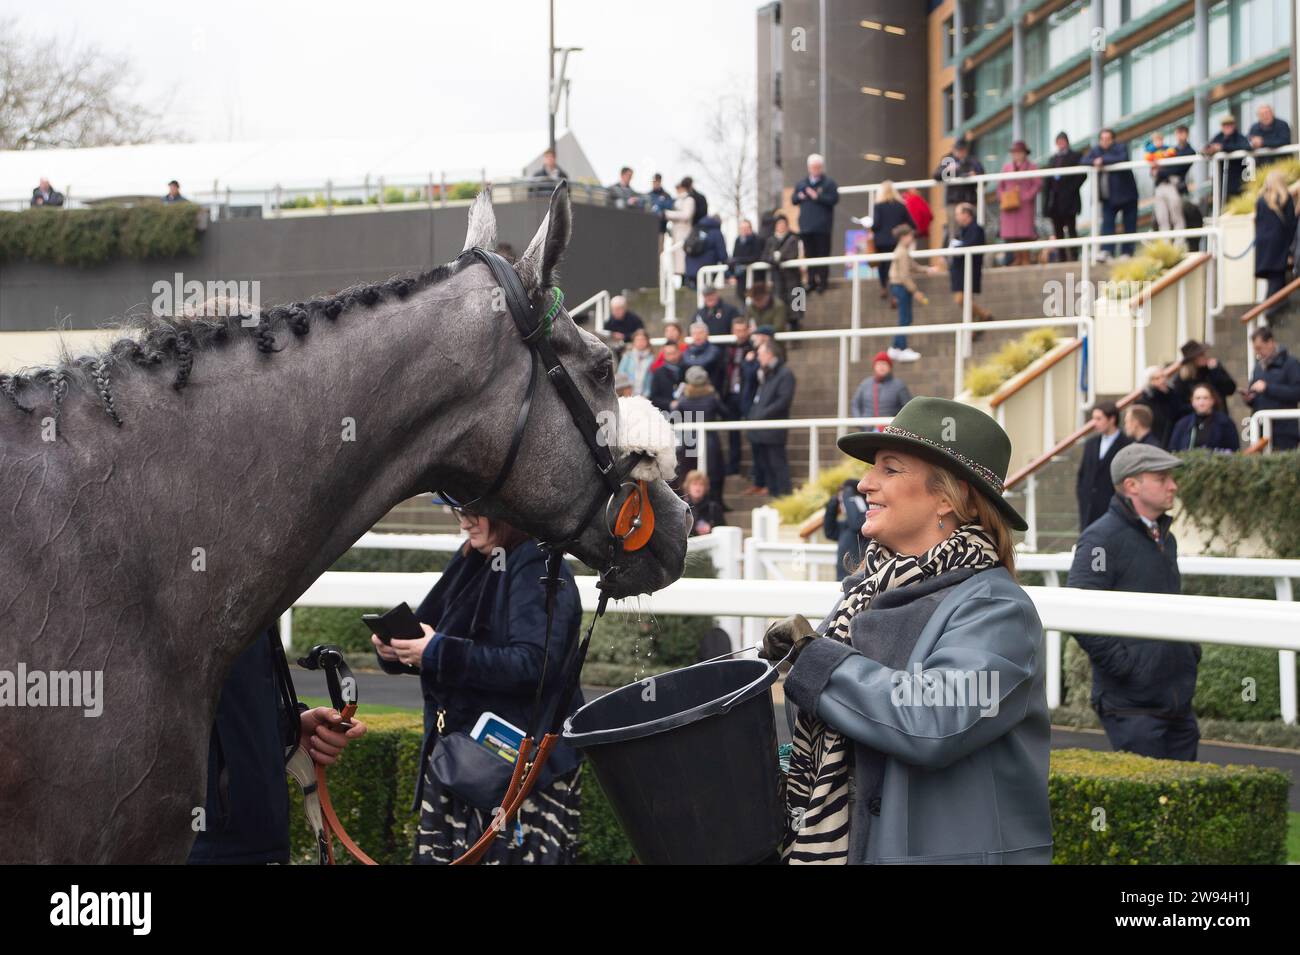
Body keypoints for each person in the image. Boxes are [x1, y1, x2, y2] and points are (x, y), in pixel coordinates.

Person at [764, 395, 1050, 864]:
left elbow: (933, 721)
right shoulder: (863, 593)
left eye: (890, 469)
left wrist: (817, 662)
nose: (864, 483)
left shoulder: (1000, 610)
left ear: (949, 497)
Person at [372, 506, 585, 863]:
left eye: (473, 511)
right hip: (462, 765)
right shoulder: (476, 554)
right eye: (457, 511)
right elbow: (431, 633)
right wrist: (397, 649)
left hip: (518, 777)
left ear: (506, 513)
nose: (464, 521)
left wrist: (436, 652)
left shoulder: (538, 562)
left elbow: (534, 665)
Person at [188, 629, 368, 863]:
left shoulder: (244, 604)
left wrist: (288, 729)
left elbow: (237, 700)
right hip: (192, 846)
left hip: (258, 840)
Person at [1068, 444, 1198, 762]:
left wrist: (1189, 652)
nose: (1173, 485)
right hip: (1131, 705)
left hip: (1176, 702)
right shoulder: (1100, 538)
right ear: (1131, 485)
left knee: (1184, 808)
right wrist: (1128, 668)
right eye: (1162, 477)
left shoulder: (1166, 538)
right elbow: (1079, 611)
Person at [745, 340, 796, 497]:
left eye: (760, 354)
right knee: (767, 466)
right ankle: (775, 496)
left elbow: (783, 400)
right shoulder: (766, 374)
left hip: (773, 430)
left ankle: (785, 498)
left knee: (777, 465)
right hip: (761, 429)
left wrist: (761, 415)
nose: (758, 358)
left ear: (769, 354)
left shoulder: (785, 374)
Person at [673, 366, 729, 497]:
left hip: (689, 442)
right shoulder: (713, 398)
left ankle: (689, 504)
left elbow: (673, 418)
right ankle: (716, 504)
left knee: (688, 475)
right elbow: (726, 413)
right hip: (710, 441)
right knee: (714, 473)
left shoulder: (683, 401)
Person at [1076, 401, 1132, 531]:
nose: (1094, 423)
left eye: (1099, 418)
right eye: (1093, 418)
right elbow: (1083, 473)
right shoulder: (1091, 443)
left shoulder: (1127, 444)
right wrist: (1083, 495)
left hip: (1112, 509)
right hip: (1088, 509)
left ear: (1112, 419)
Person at [1084, 128, 1139, 259]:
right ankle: (1107, 251)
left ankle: (1127, 252)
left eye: (1107, 139)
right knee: (1107, 224)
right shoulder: (1096, 150)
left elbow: (1122, 157)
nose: (1104, 142)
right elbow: (1083, 160)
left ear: (1113, 139)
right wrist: (1094, 161)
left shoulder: (1121, 147)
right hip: (1108, 197)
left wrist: (1101, 161)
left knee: (1129, 225)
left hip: (1127, 195)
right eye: (1102, 139)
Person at [1244, 326, 1300, 451]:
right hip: (1260, 430)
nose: (1257, 352)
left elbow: (1297, 392)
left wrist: (1268, 388)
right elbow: (1256, 393)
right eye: (1254, 348)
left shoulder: (1290, 364)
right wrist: (1249, 398)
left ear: (1270, 342)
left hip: (1284, 431)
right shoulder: (1258, 367)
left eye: (1259, 348)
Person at [792, 153, 839, 294]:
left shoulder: (829, 183)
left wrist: (817, 197)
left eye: (818, 167)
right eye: (813, 167)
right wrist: (800, 196)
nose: (815, 170)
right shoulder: (802, 184)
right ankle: (811, 281)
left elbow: (834, 200)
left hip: (823, 227)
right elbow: (793, 199)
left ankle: (823, 282)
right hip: (806, 227)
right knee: (809, 255)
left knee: (822, 254)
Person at [1254, 170, 1297, 309]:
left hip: (1264, 247)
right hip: (1280, 245)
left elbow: (1258, 223)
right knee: (1277, 279)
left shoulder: (1261, 201)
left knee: (1274, 281)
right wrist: (1292, 250)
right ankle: (1269, 313)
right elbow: (1291, 226)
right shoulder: (1286, 198)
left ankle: (1272, 311)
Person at [722, 316, 759, 475]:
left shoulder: (754, 348)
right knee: (733, 433)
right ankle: (733, 465)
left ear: (748, 330)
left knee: (753, 432)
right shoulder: (728, 348)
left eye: (743, 330)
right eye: (737, 330)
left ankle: (756, 469)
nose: (740, 333)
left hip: (748, 395)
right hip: (730, 394)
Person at [886, 224, 928, 361]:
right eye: (910, 235)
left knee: (905, 318)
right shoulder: (902, 252)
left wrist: (926, 269)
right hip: (900, 287)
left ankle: (897, 347)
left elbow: (912, 266)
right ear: (904, 237)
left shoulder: (902, 251)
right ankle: (900, 348)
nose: (912, 238)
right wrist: (915, 291)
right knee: (904, 318)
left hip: (899, 286)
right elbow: (904, 275)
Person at [869, 181, 916, 302]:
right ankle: (894, 294)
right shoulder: (901, 206)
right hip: (896, 241)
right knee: (895, 266)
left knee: (883, 266)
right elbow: (912, 224)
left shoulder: (878, 206)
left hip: (881, 241)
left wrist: (870, 226)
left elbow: (876, 225)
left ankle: (884, 287)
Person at [1042, 132, 1084, 261]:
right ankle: (1062, 257)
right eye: (1058, 141)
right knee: (1058, 231)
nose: (1061, 144)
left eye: (1063, 141)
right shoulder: (1052, 160)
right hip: (1055, 202)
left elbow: (1082, 175)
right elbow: (1047, 183)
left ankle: (1074, 255)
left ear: (1067, 142)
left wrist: (1071, 188)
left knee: (1072, 229)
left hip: (1070, 200)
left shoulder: (1076, 156)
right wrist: (1046, 204)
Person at [997, 141, 1041, 264]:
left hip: (1024, 205)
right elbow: (1000, 185)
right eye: (1014, 153)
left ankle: (1025, 257)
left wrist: (1027, 196)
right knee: (1012, 233)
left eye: (1018, 152)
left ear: (1024, 154)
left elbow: (1037, 184)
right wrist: (1003, 197)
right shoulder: (1006, 168)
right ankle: (1017, 258)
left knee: (1024, 233)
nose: (1016, 155)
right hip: (1009, 204)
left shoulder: (1032, 167)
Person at [933, 137, 985, 241]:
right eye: (958, 149)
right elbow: (936, 175)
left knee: (974, 230)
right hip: (954, 201)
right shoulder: (948, 159)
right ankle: (955, 255)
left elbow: (983, 177)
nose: (960, 152)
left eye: (962, 150)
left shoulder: (972, 160)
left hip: (969, 200)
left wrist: (974, 175)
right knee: (954, 232)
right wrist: (948, 170)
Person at [948, 203, 992, 323]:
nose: (956, 217)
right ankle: (977, 320)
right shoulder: (960, 231)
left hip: (969, 269)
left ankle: (983, 316)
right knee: (964, 299)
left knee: (961, 298)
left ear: (966, 214)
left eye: (958, 214)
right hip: (959, 270)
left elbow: (973, 245)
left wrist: (959, 246)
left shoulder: (976, 229)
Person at [1148, 126, 1196, 236]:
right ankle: (1166, 247)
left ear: (1187, 134)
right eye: (1178, 133)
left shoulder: (1189, 151)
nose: (1180, 135)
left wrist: (1159, 171)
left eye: (1182, 133)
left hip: (1174, 185)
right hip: (1161, 185)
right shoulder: (1170, 150)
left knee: (1176, 217)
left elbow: (1178, 169)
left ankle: (1179, 245)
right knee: (1161, 217)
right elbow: (1155, 167)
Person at [1169, 383, 1240, 452]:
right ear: (1192, 401)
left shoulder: (1225, 423)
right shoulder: (1183, 424)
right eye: (1198, 398)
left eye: (1205, 398)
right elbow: (1173, 450)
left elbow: (1233, 450)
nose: (1201, 402)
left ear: (1212, 400)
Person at [763, 213, 804, 329]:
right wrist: (774, 259)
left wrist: (780, 257)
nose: (781, 226)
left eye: (783, 224)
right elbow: (765, 256)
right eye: (778, 224)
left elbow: (793, 255)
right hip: (777, 279)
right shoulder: (770, 240)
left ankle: (796, 330)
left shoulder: (793, 239)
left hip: (793, 278)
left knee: (796, 306)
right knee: (779, 306)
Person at [1134, 364, 1189, 449]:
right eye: (1157, 378)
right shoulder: (1143, 402)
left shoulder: (1174, 396)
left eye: (1163, 376)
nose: (1162, 380)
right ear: (1149, 382)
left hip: (1172, 441)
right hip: (1152, 443)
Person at [822, 478, 867, 580]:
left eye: (845, 501)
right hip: (842, 581)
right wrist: (832, 505)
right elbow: (830, 532)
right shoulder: (846, 526)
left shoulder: (866, 522)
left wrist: (848, 496)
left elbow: (857, 523)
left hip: (859, 583)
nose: (843, 504)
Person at [1172, 340, 1236, 411]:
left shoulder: (1212, 369)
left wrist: (1216, 371)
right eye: (1200, 355)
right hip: (1195, 417)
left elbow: (1230, 389)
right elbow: (1180, 405)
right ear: (1192, 359)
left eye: (1203, 353)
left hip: (1218, 416)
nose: (1205, 356)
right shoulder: (1182, 379)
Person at [851, 351, 912, 424]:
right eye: (879, 364)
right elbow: (855, 404)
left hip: (889, 429)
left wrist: (897, 425)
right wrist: (860, 422)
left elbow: (908, 408)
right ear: (874, 366)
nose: (881, 367)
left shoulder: (899, 385)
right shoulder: (865, 384)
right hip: (867, 429)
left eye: (884, 364)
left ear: (890, 367)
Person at [1203, 113, 1252, 202]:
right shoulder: (1218, 137)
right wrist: (1208, 150)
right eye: (1225, 125)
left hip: (1237, 179)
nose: (1227, 127)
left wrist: (1223, 148)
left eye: (1229, 124)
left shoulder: (1239, 137)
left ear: (1234, 125)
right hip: (1220, 179)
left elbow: (1247, 147)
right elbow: (1207, 148)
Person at [662, 179, 697, 279]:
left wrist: (668, 214)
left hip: (684, 232)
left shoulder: (689, 200)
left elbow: (686, 215)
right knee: (676, 259)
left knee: (683, 258)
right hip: (676, 232)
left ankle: (686, 279)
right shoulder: (677, 200)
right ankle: (681, 278)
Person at [684, 211, 727, 289]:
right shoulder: (716, 232)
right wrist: (729, 271)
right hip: (707, 270)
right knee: (706, 292)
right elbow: (722, 255)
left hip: (690, 270)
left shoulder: (695, 229)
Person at [681, 320, 725, 394]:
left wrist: (693, 361)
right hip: (691, 393)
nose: (697, 336)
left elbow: (704, 363)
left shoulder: (714, 350)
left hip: (710, 392)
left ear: (707, 334)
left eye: (700, 333)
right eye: (694, 333)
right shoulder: (687, 350)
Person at [681, 470, 726, 536]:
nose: (697, 488)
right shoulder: (682, 508)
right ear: (688, 487)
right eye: (694, 484)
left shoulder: (714, 508)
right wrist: (695, 528)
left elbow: (723, 531)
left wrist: (711, 529)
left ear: (705, 487)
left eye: (701, 484)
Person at [729, 218, 764, 302]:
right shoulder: (738, 241)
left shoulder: (757, 240)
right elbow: (734, 256)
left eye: (746, 228)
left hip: (755, 276)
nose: (744, 230)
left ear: (750, 228)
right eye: (742, 228)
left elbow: (756, 257)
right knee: (741, 297)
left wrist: (739, 260)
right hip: (741, 276)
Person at [617, 328, 656, 398]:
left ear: (647, 341)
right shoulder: (627, 356)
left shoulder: (652, 358)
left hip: (645, 395)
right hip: (628, 395)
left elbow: (652, 379)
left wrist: (647, 395)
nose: (640, 342)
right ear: (634, 341)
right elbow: (621, 374)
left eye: (643, 339)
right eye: (638, 340)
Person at [649, 340, 684, 414]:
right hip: (666, 414)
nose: (672, 356)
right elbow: (654, 398)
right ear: (664, 355)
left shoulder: (687, 370)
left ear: (679, 352)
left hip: (688, 413)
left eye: (674, 353)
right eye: (668, 354)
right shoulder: (658, 373)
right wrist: (670, 403)